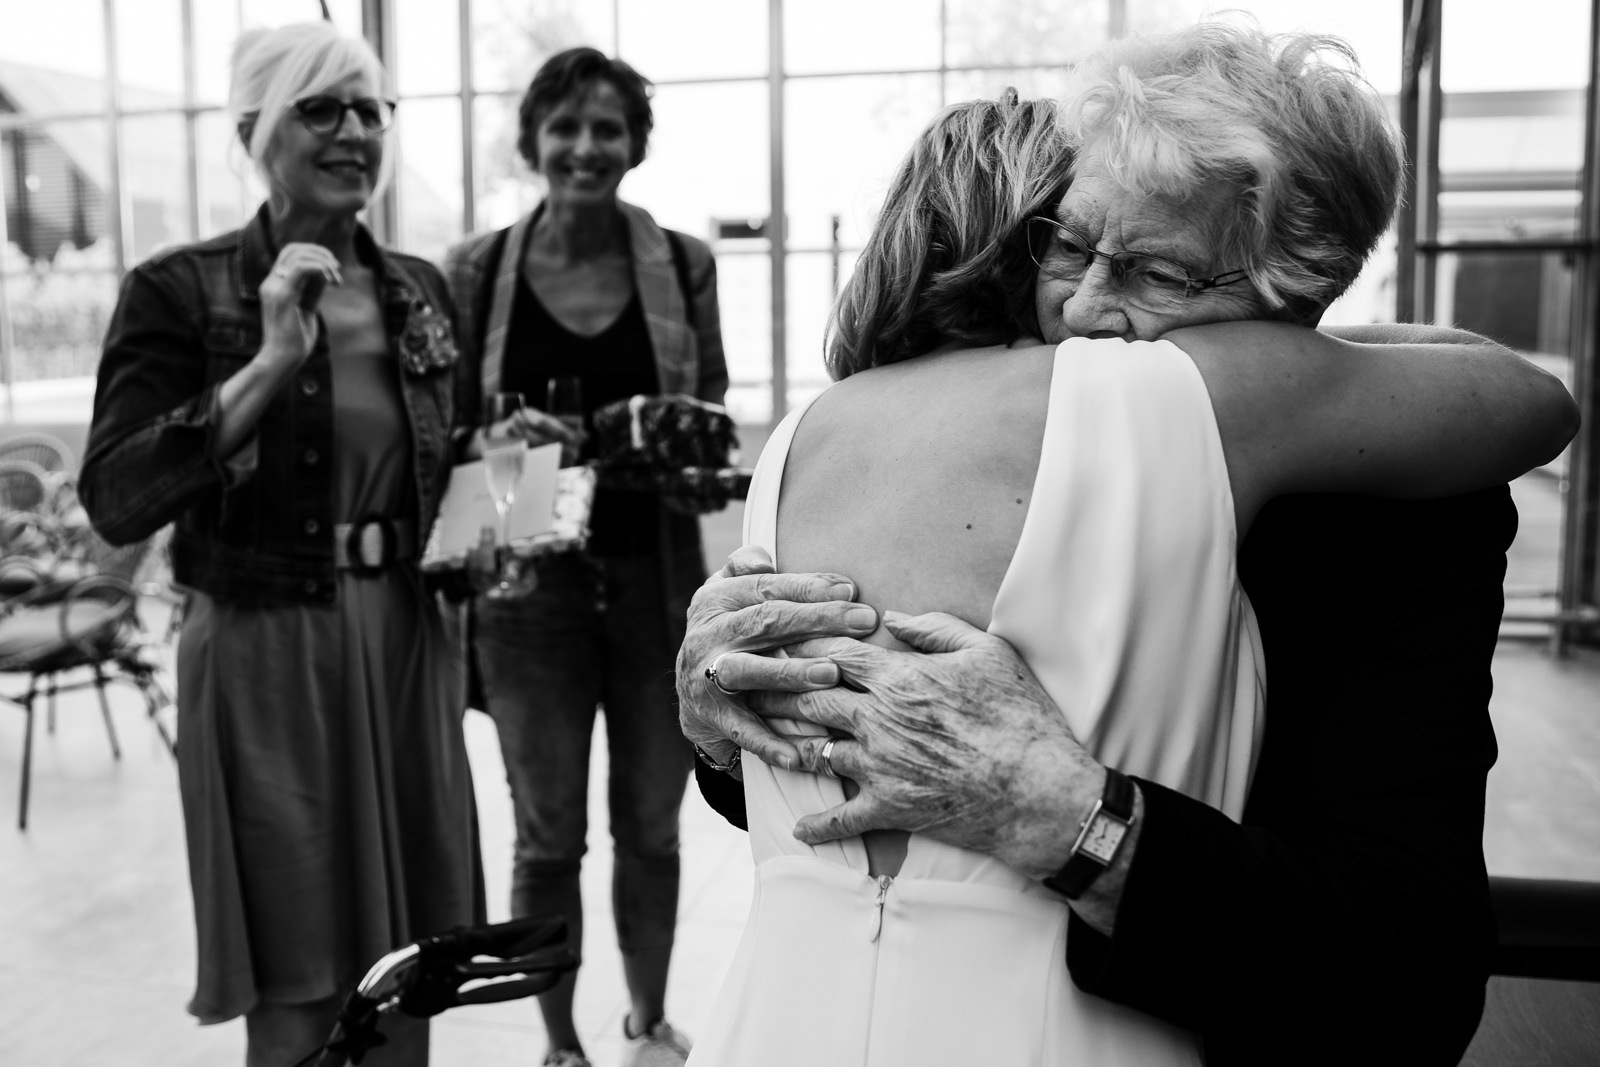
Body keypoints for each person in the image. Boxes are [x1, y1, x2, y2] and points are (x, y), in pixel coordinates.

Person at [678, 26, 1579, 1067]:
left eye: (1158, 272)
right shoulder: (960, 436)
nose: (1085, 308)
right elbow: (847, 810)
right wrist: (727, 719)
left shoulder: (1405, 512)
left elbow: (1407, 973)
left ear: (1301, 296)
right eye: (1067, 246)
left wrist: (1078, 821)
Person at [78, 21, 482, 1067]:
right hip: (265, 649)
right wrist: (265, 365)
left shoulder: (419, 286)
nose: (353, 131)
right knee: (299, 971)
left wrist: (499, 514)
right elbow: (116, 497)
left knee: (408, 966)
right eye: (321, 108)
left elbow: (460, 465)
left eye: (369, 110)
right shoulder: (180, 288)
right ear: (255, 130)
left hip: (405, 639)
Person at [442, 47, 727, 1067]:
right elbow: (443, 439)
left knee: (652, 827)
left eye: (608, 127)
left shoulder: (684, 264)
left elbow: (710, 420)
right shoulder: (475, 271)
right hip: (528, 588)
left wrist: (664, 439)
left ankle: (649, 1023)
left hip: (656, 580)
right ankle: (560, 1044)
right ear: (533, 140)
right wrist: (500, 444)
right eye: (564, 126)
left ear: (634, 144)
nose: (585, 146)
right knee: (546, 833)